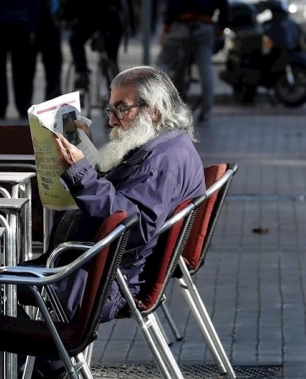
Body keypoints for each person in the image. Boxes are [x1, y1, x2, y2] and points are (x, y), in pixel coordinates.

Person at [30, 65, 206, 377]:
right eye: (110, 109)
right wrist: (85, 154)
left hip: (106, 278)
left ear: (153, 111)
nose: (112, 120)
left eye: (121, 109)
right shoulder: (163, 145)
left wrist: (81, 172)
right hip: (95, 265)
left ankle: (44, 366)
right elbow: (125, 199)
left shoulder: (162, 162)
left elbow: (131, 225)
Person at [156, 0, 228, 123]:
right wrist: (219, 29)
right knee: (205, 68)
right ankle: (206, 110)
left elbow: (172, 5)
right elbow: (225, 8)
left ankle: (155, 103)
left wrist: (166, 28)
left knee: (163, 62)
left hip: (182, 26)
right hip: (205, 27)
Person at [60, 0, 125, 92]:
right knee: (111, 53)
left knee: (76, 41)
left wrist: (66, 17)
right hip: (111, 17)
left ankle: (82, 71)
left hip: (87, 17)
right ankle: (114, 79)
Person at [22, 0, 64, 101]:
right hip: (51, 24)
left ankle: (25, 102)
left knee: (27, 67)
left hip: (29, 25)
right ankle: (52, 99)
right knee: (53, 66)